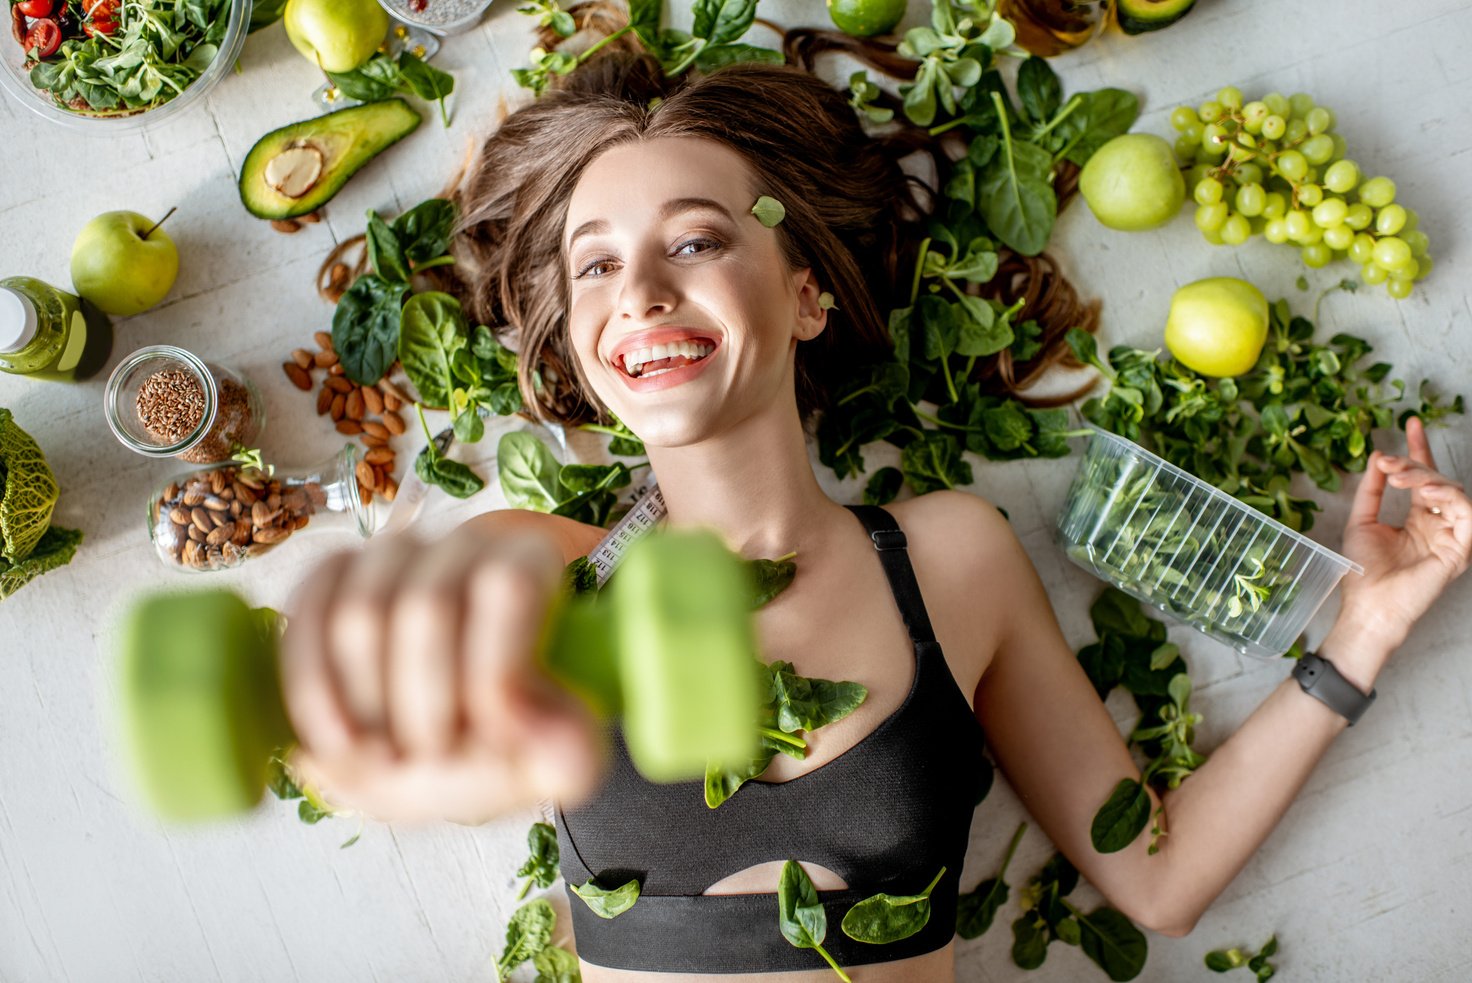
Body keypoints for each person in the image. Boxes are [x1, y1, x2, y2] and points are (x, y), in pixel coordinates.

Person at [279, 54, 1472, 982]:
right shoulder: (533, 569)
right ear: (586, 356)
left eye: (694, 240)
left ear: (803, 295)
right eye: (595, 266)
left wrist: (1361, 627)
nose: (639, 290)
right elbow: (349, 754)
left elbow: (1155, 880)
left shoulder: (949, 555)